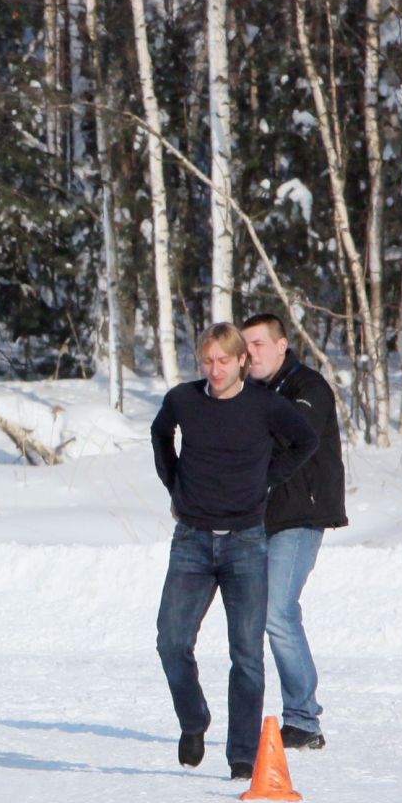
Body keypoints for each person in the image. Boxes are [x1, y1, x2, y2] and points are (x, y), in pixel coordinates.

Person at [151, 323, 318, 779]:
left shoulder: (265, 406)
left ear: (242, 360)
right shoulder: (183, 400)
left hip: (245, 542)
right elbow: (160, 434)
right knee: (171, 641)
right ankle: (193, 720)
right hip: (192, 540)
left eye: (223, 360)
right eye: (207, 360)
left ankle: (242, 755)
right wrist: (175, 483)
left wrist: (267, 477)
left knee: (246, 653)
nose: (215, 369)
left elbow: (307, 441)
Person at [240, 313, 346, 751]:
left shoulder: (309, 388)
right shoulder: (251, 393)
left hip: (301, 517)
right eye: (245, 347)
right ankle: (249, 719)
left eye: (259, 344)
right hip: (259, 518)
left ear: (282, 345)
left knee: (277, 614)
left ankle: (303, 720)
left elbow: (290, 438)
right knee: (252, 617)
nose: (251, 354)